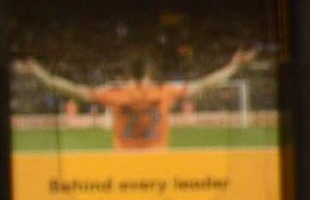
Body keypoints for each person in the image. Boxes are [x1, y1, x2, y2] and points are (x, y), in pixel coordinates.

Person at [15, 43, 264, 151]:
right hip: (159, 161)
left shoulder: (116, 94)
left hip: (123, 163)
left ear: (126, 74)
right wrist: (234, 65)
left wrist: (39, 73)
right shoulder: (164, 91)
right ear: (150, 73)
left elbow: (67, 89)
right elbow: (207, 84)